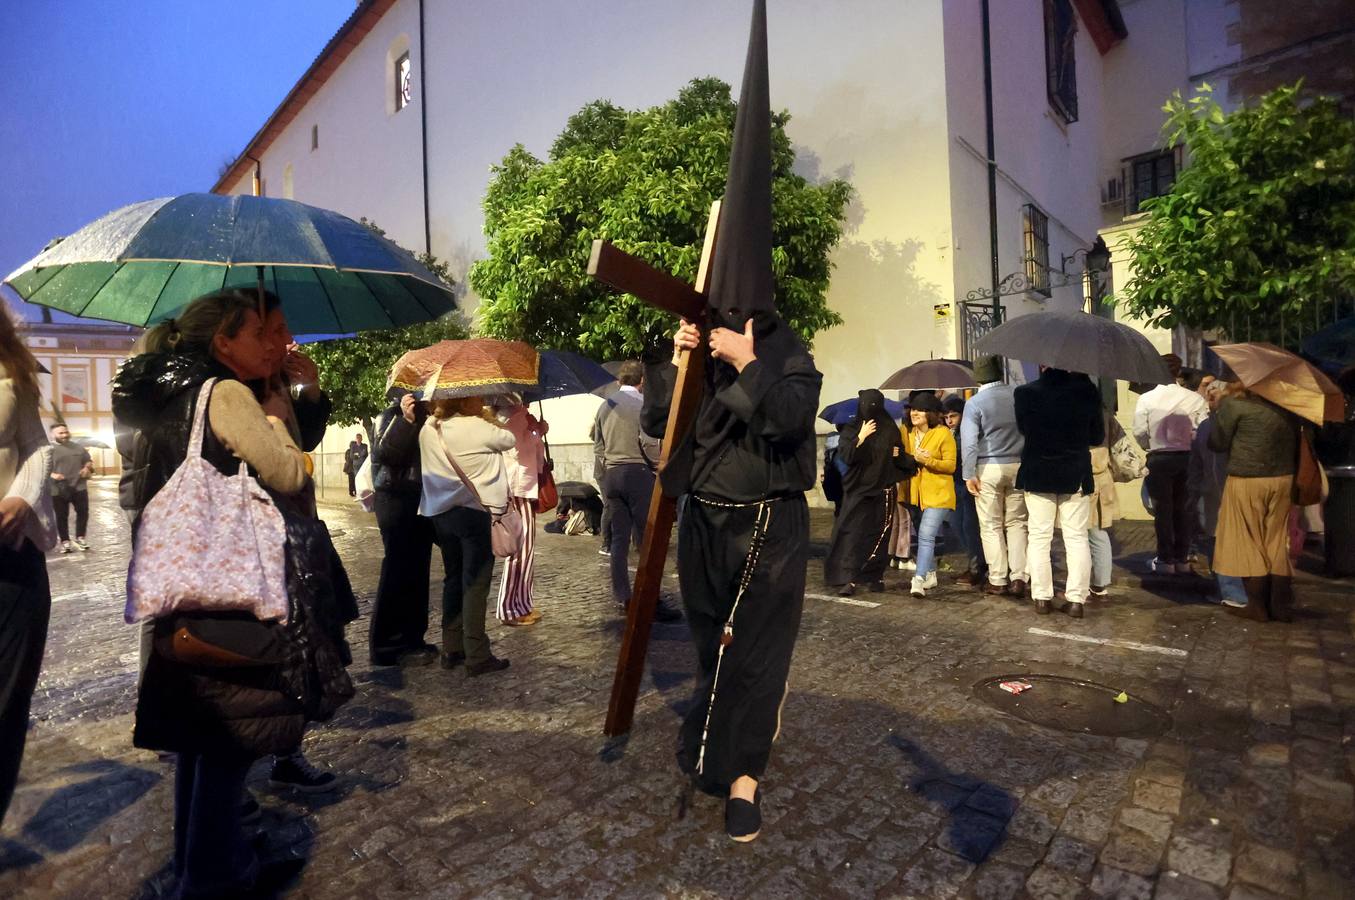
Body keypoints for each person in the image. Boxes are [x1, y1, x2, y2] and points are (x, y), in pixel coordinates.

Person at [112, 290, 353, 897]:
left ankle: (202, 864)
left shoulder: (174, 395)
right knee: (227, 742)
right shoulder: (226, 393)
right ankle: (217, 878)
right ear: (224, 342)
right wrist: (275, 420)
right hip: (234, 587)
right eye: (262, 333)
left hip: (191, 586)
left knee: (203, 740)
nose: (275, 343)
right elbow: (289, 471)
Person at [645, 308, 821, 843]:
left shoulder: (790, 358)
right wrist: (678, 362)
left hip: (769, 526)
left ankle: (744, 778)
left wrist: (748, 363)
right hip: (703, 522)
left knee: (755, 657)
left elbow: (788, 419)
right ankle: (713, 733)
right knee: (711, 647)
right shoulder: (701, 361)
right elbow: (659, 422)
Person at [0, 308, 57, 827]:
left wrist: (21, 497)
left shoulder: (13, 372)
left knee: (9, 700)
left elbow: (37, 447)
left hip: (12, 553)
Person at [419, 395, 514, 675]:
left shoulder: (429, 428)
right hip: (474, 513)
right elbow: (508, 439)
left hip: (441, 514)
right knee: (476, 582)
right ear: (463, 402)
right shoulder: (477, 425)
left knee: (453, 577)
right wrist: (488, 417)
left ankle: (452, 647)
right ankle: (477, 654)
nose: (481, 400)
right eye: (476, 396)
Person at [1015, 366, 1104, 618]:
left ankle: (1042, 598)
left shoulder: (1024, 393)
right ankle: (1076, 599)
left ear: (1042, 366)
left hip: (1037, 470)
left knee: (1039, 536)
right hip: (1074, 471)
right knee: (1076, 537)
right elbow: (1097, 436)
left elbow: (1024, 429)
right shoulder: (1087, 391)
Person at [1209, 383, 1302, 622]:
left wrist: (1217, 412)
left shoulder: (1235, 406)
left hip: (1247, 479)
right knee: (1276, 540)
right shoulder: (1288, 408)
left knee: (1247, 540)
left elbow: (1217, 443)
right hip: (1283, 479)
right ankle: (1279, 606)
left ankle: (1257, 606)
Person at [593, 361, 679, 622]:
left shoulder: (604, 406)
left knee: (619, 540)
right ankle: (651, 598)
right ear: (642, 381)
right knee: (647, 541)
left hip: (612, 475)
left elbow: (598, 446)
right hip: (637, 473)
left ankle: (623, 595)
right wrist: (656, 467)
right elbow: (648, 442)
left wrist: (608, 467)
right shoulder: (642, 406)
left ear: (622, 380)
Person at [368, 391, 438, 667]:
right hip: (396, 499)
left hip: (420, 499)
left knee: (418, 571)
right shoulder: (391, 416)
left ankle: (412, 640)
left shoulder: (430, 419)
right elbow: (385, 454)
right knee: (398, 570)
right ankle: (386, 646)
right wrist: (406, 421)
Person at [823, 389, 914, 596]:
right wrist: (861, 439)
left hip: (883, 490)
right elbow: (847, 456)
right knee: (853, 534)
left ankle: (875, 576)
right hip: (859, 491)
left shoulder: (890, 428)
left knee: (880, 535)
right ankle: (848, 577)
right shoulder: (853, 427)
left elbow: (897, 456)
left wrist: (899, 455)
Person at [1133, 353, 1209, 575]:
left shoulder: (1146, 399)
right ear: (1179, 373)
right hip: (1187, 457)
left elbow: (1139, 431)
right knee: (1185, 509)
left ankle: (1165, 559)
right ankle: (1182, 558)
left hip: (1160, 458)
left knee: (1162, 510)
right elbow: (1202, 429)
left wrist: (1151, 444)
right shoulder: (1194, 399)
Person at [960, 355, 1028, 598]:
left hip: (988, 467)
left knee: (990, 525)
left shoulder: (975, 403)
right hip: (1019, 464)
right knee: (1017, 523)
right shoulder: (1019, 395)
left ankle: (998, 578)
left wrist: (968, 474)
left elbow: (969, 443)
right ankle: (1019, 576)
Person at [1188, 381, 1247, 607]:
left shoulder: (1236, 423)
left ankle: (1234, 592)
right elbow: (1197, 463)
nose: (1210, 398)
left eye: (1216, 394)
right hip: (1211, 491)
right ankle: (1225, 589)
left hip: (1233, 489)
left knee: (1228, 541)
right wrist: (1193, 491)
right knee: (1214, 540)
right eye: (1209, 394)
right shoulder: (1204, 426)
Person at [493, 394, 547, 626]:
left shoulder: (515, 416)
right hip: (518, 489)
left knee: (525, 550)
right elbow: (517, 449)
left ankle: (522, 604)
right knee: (521, 550)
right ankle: (509, 608)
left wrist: (535, 430)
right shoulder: (514, 417)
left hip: (520, 487)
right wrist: (537, 432)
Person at [904, 393, 956, 599]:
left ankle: (918, 579)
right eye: (913, 409)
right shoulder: (907, 433)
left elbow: (950, 465)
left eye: (920, 409)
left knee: (926, 535)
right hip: (915, 495)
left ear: (932, 414)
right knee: (923, 534)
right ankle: (931, 573)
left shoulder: (943, 434)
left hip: (938, 494)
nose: (915, 413)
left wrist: (929, 460)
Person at [943, 395, 986, 587]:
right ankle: (975, 563)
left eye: (953, 416)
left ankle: (978, 567)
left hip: (968, 483)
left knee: (970, 527)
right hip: (957, 485)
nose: (950, 420)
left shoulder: (967, 433)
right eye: (946, 417)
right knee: (957, 524)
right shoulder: (950, 433)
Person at [1087, 409, 1122, 600]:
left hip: (1085, 479)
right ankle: (1101, 583)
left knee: (1081, 536)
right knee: (1099, 532)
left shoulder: (1073, 409)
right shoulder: (1105, 413)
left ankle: (1085, 585)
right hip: (1104, 477)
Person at [48, 424, 93, 552]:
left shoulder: (78, 447)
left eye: (66, 432)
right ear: (53, 434)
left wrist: (86, 467)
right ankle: (65, 541)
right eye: (60, 433)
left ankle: (80, 537)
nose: (64, 435)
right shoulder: (48, 449)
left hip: (79, 486)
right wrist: (53, 474)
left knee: (83, 513)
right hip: (58, 489)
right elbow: (41, 468)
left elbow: (88, 460)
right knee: (61, 516)